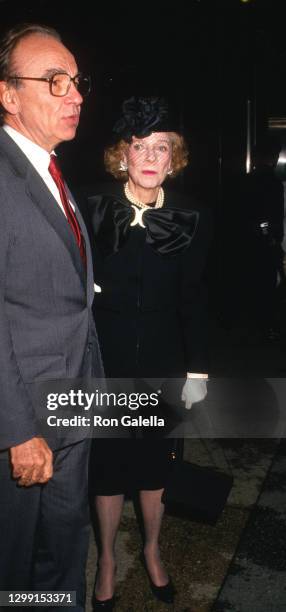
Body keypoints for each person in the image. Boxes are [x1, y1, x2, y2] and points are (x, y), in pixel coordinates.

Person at [87, 96, 211, 609]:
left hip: (162, 363)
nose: (151, 156)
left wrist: (197, 368)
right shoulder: (90, 205)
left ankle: (154, 551)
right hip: (102, 363)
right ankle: (110, 558)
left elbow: (196, 298)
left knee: (156, 469)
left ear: (173, 158)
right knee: (108, 468)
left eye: (162, 147)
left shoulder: (192, 216)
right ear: (123, 154)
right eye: (141, 146)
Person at [0, 23, 103, 610]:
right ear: (9, 95)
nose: (76, 94)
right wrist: (17, 431)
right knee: (14, 566)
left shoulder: (51, 170)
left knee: (63, 552)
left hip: (73, 407)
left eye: (77, 80)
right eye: (55, 81)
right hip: (26, 422)